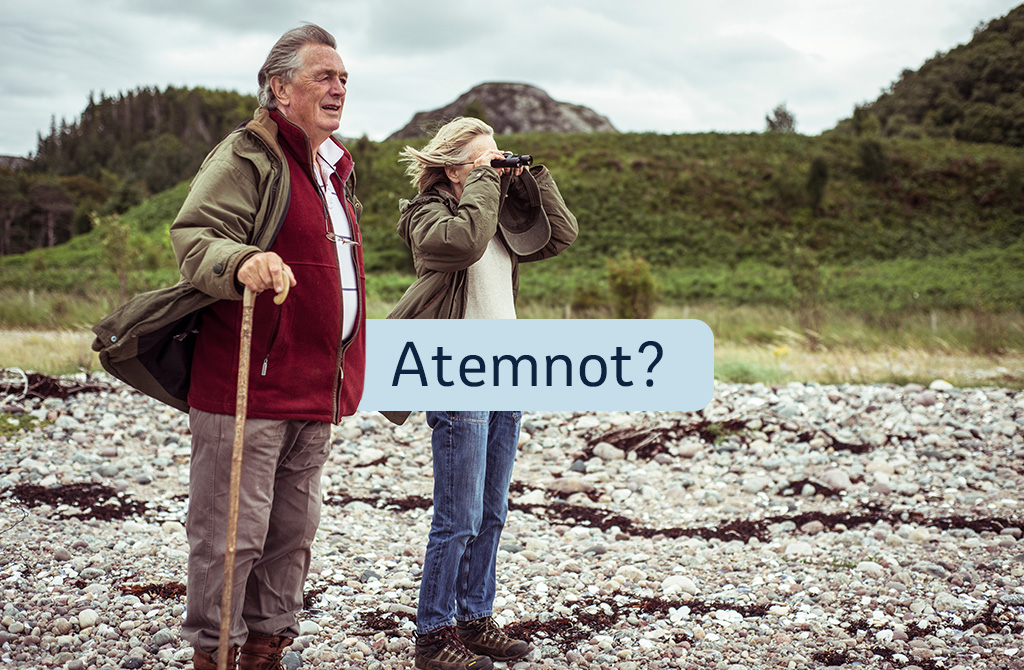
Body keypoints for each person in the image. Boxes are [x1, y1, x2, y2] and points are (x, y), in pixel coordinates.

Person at [166, 25, 365, 670]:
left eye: (343, 79)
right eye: (323, 76)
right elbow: (197, 237)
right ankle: (216, 652)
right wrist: (243, 259)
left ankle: (266, 646)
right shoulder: (247, 156)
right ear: (278, 87)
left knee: (290, 534)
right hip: (248, 379)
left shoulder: (334, 168)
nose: (338, 87)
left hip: (315, 383)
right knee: (231, 532)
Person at [388, 117, 578, 670]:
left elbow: (560, 236)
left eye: (500, 157)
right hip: (455, 372)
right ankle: (433, 635)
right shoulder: (428, 215)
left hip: (505, 372)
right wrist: (486, 185)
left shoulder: (492, 210)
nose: (496, 166)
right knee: (458, 514)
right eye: (483, 159)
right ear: (453, 168)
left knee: (492, 509)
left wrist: (532, 178)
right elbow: (463, 245)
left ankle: (474, 618)